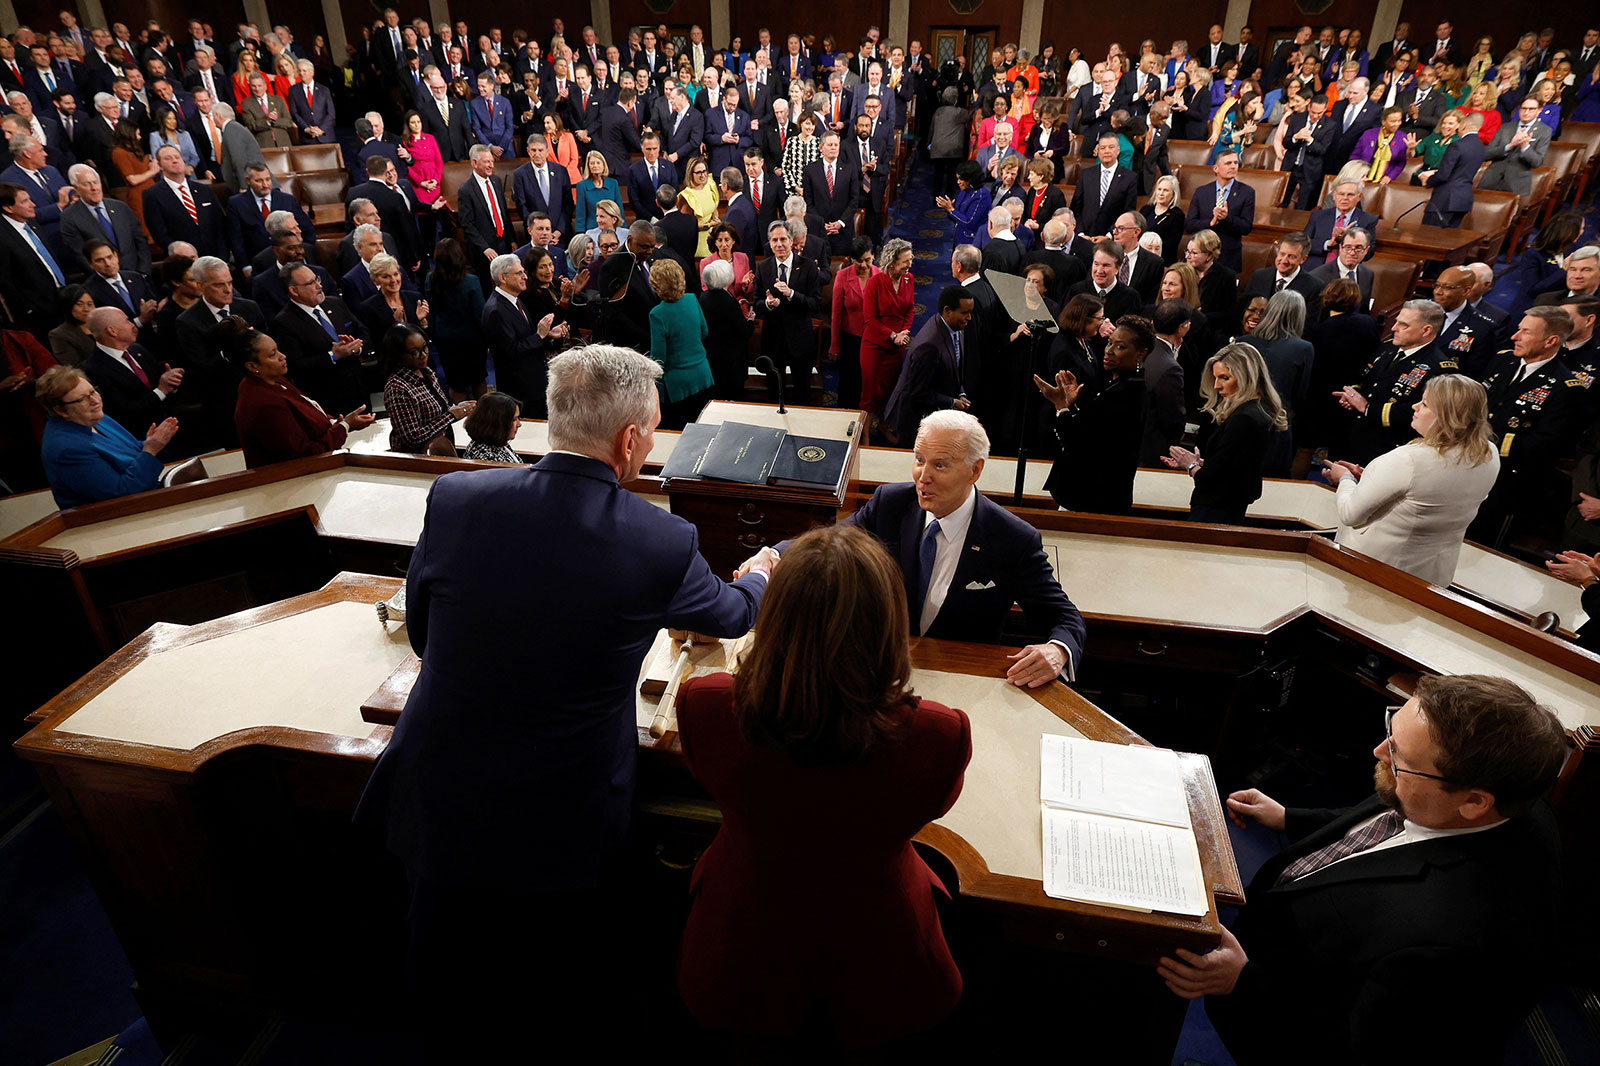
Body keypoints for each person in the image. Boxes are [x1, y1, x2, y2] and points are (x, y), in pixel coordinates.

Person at [354, 346, 775, 1062]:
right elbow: (732, 616)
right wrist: (764, 571)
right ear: (632, 440)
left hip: (439, 786)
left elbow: (423, 632)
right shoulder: (659, 539)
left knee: (442, 971)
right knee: (552, 984)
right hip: (560, 807)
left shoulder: (457, 497)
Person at [676, 523, 970, 1050]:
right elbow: (937, 802)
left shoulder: (706, 705)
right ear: (887, 622)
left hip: (741, 944)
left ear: (777, 615)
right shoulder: (937, 734)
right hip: (882, 950)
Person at [1185, 675, 1567, 1066]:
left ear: (1474, 802)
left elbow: (1352, 1051)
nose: (1379, 751)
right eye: (1391, 731)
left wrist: (1241, 982)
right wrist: (1289, 818)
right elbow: (1383, 816)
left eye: (1399, 757)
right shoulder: (1500, 792)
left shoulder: (1443, 948)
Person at [759, 410, 1083, 680]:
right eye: (918, 459)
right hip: (882, 674)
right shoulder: (890, 503)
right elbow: (830, 544)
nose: (922, 476)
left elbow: (1064, 618)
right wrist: (774, 555)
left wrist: (1057, 650)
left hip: (963, 681)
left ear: (975, 469)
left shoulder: (1013, 538)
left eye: (939, 465)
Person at [1323, 374, 1499, 585]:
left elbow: (1350, 513)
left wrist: (1344, 479)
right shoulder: (1489, 453)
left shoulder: (1409, 460)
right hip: (1432, 576)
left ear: (1446, 416)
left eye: (1424, 404)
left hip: (1375, 571)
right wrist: (1371, 480)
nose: (1415, 407)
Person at [1036, 315, 1154, 514]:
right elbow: (1092, 431)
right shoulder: (1124, 386)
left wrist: (1060, 406)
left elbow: (1077, 442)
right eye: (1109, 342)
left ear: (1141, 353)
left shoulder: (1123, 394)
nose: (1108, 350)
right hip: (1095, 496)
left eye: (1120, 347)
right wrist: (1070, 405)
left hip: (1090, 499)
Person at [1163, 342, 1288, 523]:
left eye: (1224, 378)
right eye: (1215, 378)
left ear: (1245, 377)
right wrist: (1205, 463)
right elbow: (1235, 466)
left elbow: (1214, 481)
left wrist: (1191, 466)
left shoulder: (1244, 419)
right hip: (1230, 507)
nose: (1216, 386)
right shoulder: (1261, 410)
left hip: (1216, 511)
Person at [225, 317, 374, 468]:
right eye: (272, 354)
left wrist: (336, 423)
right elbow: (306, 454)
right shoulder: (264, 403)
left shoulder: (274, 379)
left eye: (277, 350)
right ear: (252, 366)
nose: (282, 356)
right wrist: (345, 426)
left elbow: (307, 415)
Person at [37, 364, 177, 508]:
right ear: (60, 410)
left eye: (93, 392)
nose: (95, 401)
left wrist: (152, 442)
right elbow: (121, 494)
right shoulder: (66, 449)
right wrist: (150, 450)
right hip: (114, 518)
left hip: (146, 498)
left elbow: (130, 453)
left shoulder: (94, 417)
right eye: (81, 399)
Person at [1338, 299, 1453, 465]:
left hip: (1389, 449)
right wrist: (1352, 396)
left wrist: (1366, 407)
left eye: (1403, 325)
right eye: (1396, 321)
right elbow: (1362, 376)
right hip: (1356, 435)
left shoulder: (1440, 369)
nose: (1393, 328)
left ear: (1426, 330)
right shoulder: (1388, 348)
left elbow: (1418, 413)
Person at [882, 285, 973, 446]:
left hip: (935, 411)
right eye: (965, 313)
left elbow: (954, 366)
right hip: (915, 420)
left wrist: (960, 392)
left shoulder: (956, 326)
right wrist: (952, 402)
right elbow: (917, 391)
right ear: (947, 311)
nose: (969, 318)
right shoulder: (929, 346)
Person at [1302, 278, 1380, 462]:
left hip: (1318, 398)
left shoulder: (1318, 331)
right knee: (1341, 453)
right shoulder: (1369, 323)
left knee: (1305, 448)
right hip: (1352, 396)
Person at [752, 220, 821, 405]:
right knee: (775, 395)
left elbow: (815, 304)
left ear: (791, 240)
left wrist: (791, 294)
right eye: (774, 240)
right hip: (773, 342)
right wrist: (767, 303)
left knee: (802, 395)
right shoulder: (763, 267)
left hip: (800, 342)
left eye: (783, 239)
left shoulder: (808, 267)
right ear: (770, 242)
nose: (779, 244)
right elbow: (756, 304)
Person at [1248, 290, 1315, 477]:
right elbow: (1300, 394)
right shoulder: (1303, 348)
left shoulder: (1243, 341)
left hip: (1241, 418)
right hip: (1277, 422)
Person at [382, 323, 470, 455]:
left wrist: (454, 411)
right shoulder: (397, 388)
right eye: (414, 352)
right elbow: (412, 438)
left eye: (425, 348)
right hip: (417, 460)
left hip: (442, 447)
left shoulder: (427, 373)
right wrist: (451, 415)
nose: (423, 355)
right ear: (398, 355)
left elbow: (436, 414)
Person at [646, 257, 712, 429]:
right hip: (702, 375)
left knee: (679, 436)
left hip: (677, 386)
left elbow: (658, 359)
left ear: (656, 285)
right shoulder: (691, 299)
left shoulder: (657, 314)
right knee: (702, 430)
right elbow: (704, 332)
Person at [859, 238, 915, 426]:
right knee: (870, 394)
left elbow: (910, 310)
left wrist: (904, 331)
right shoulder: (875, 283)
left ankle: (883, 426)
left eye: (911, 259)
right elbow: (870, 319)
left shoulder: (909, 278)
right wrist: (892, 335)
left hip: (897, 348)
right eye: (905, 261)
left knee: (891, 390)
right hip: (875, 347)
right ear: (892, 262)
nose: (910, 264)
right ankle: (863, 434)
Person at [423, 239, 486, 401]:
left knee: (456, 384)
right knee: (478, 380)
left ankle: (460, 420)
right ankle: (484, 418)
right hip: (472, 341)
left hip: (446, 341)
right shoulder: (471, 281)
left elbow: (432, 311)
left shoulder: (430, 279)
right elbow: (480, 314)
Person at [1184, 148, 1255, 273]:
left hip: (1229, 258)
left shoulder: (1247, 192)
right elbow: (1190, 225)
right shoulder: (1201, 192)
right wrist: (1210, 223)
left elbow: (1246, 227)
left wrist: (1227, 218)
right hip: (1200, 257)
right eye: (1228, 163)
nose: (1233, 166)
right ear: (1216, 168)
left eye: (1235, 163)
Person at [699, 258, 753, 400]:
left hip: (712, 360)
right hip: (730, 364)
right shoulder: (727, 300)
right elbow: (744, 331)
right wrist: (751, 320)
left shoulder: (704, 296)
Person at [358, 253, 430, 338]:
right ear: (375, 281)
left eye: (396, 274)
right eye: (386, 277)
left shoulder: (415, 298)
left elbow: (430, 334)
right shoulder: (369, 308)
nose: (393, 280)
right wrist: (396, 324)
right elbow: (378, 342)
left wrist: (422, 321)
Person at [935, 159, 992, 248]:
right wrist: (949, 209)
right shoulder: (965, 190)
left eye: (961, 179)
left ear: (971, 179)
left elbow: (969, 222)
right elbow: (958, 216)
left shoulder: (982, 195)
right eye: (957, 178)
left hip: (972, 243)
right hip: (959, 237)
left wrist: (951, 210)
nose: (958, 182)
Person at [461, 390, 521, 463]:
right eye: (514, 419)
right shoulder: (487, 458)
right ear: (498, 423)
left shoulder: (497, 443)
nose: (519, 424)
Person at [1141, 175, 1185, 266]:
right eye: (1159, 189)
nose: (1161, 193)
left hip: (1163, 261)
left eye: (1165, 190)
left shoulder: (1177, 215)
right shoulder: (1146, 209)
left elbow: (1172, 244)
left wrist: (1150, 249)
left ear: (1173, 193)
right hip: (1141, 257)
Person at [573, 149, 619, 234]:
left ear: (603, 165)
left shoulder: (613, 183)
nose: (595, 166)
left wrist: (621, 231)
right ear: (588, 166)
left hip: (612, 231)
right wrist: (581, 234)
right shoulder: (582, 186)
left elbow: (620, 212)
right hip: (592, 231)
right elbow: (580, 215)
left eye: (598, 163)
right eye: (592, 163)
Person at [49, 285, 96, 367]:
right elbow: (74, 366)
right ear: (68, 306)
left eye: (90, 304)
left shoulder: (103, 324)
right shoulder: (59, 335)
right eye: (79, 304)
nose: (86, 309)